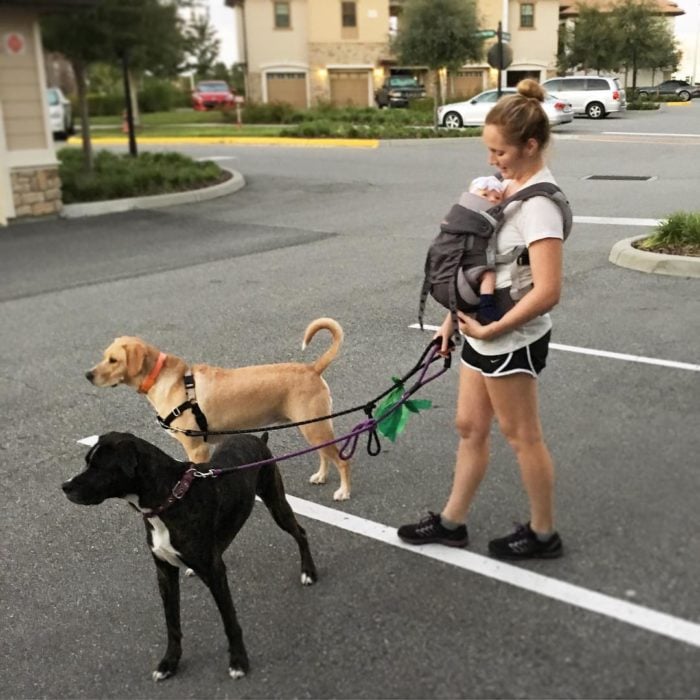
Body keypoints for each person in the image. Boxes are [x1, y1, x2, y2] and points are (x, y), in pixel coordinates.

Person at [398, 79, 565, 560]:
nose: (493, 161)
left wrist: (491, 329)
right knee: (469, 426)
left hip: (510, 337)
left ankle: (543, 533)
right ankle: (452, 523)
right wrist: (455, 320)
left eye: (500, 152)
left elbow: (550, 290)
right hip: (480, 330)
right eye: (489, 151)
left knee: (522, 436)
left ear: (529, 145)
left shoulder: (539, 206)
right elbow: (481, 262)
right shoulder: (507, 189)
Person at [468, 175, 505, 325]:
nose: (491, 199)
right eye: (485, 195)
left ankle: (484, 303)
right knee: (488, 274)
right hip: (469, 258)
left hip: (476, 259)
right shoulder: (471, 215)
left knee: (487, 275)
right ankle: (485, 303)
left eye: (497, 197)